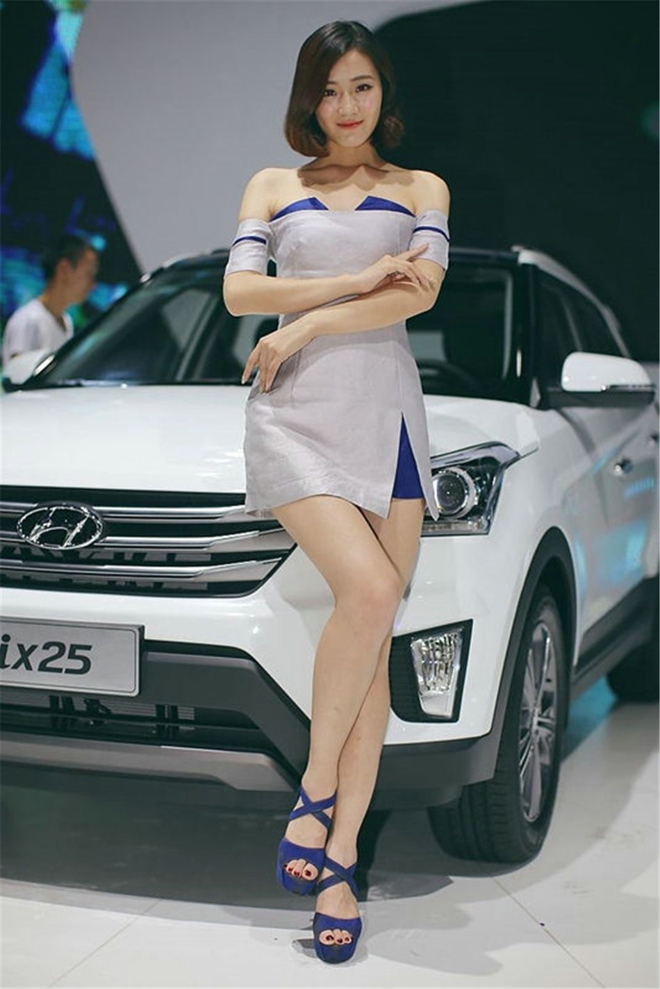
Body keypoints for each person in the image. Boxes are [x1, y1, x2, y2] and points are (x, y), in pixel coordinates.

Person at [223, 20, 450, 965]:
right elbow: (241, 294)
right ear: (306, 99)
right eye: (328, 90)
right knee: (370, 590)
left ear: (382, 93)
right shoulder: (272, 186)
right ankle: (316, 794)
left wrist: (309, 323)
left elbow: (421, 291)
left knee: (373, 641)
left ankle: (341, 857)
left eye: (361, 87)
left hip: (387, 415)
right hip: (294, 415)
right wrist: (352, 280)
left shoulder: (422, 188)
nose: (346, 106)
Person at [2, 233, 99, 367]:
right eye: (89, 274)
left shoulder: (66, 322)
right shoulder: (28, 321)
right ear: (64, 269)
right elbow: (17, 375)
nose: (93, 285)